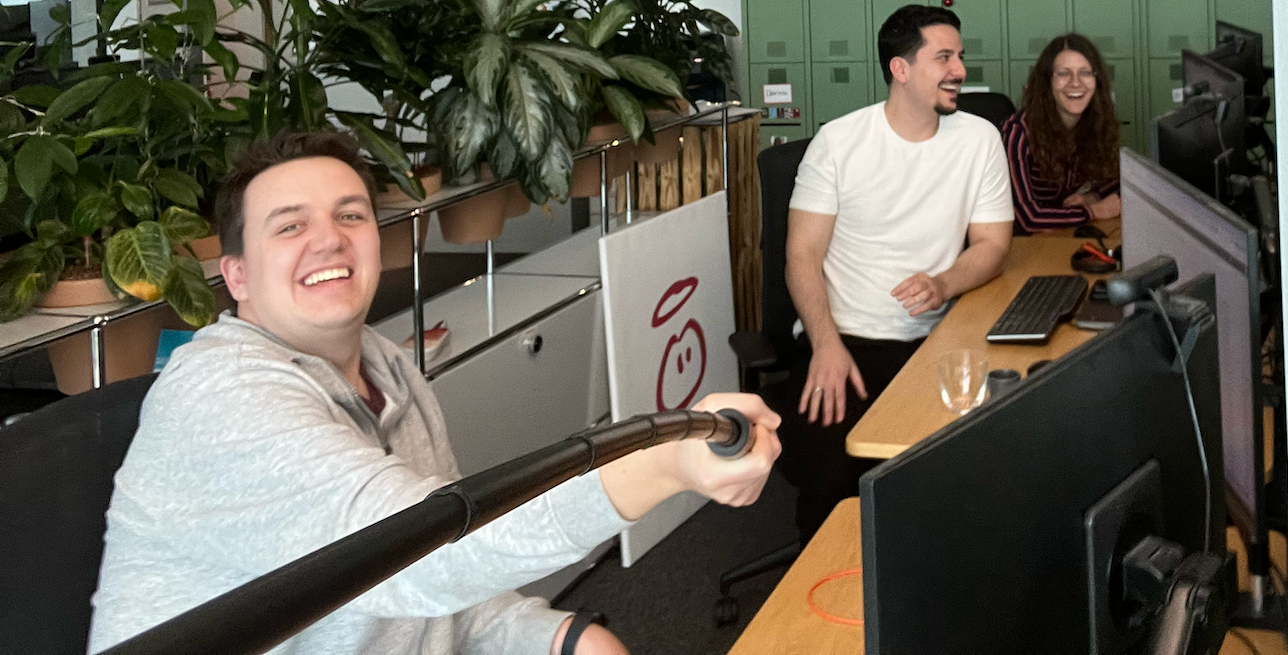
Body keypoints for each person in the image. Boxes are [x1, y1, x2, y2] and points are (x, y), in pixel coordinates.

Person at [89, 130, 779, 655]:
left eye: (351, 216)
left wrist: (558, 638)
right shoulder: (219, 396)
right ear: (236, 276)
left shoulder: (387, 367)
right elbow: (417, 549)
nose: (329, 240)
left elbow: (443, 596)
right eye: (291, 225)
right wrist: (662, 464)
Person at [784, 4, 1014, 533]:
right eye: (944, 57)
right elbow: (802, 255)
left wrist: (943, 283)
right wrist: (824, 343)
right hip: (847, 341)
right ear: (901, 68)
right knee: (833, 484)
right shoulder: (839, 143)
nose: (959, 70)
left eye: (960, 56)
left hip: (939, 341)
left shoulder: (979, 139)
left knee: (976, 472)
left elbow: (992, 244)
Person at [1001, 33, 1121, 233]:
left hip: (1056, 235)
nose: (1076, 83)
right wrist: (1093, 211)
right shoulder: (1017, 133)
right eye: (1063, 73)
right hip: (1017, 245)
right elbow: (1027, 218)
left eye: (1085, 72)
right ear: (1047, 82)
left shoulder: (1094, 125)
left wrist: (1093, 198)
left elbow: (1121, 188)